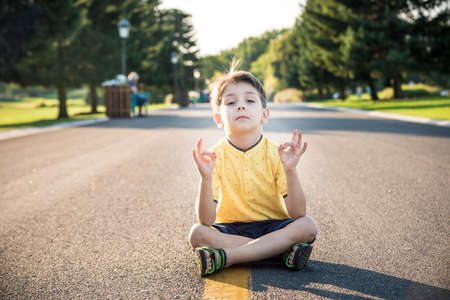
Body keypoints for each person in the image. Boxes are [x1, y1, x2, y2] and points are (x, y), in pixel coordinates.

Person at [189, 65, 318, 277]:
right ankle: (279, 252)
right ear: (218, 118)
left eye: (249, 101)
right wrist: (205, 178)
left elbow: (298, 213)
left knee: (307, 225)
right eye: (231, 102)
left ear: (264, 114)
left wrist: (291, 170)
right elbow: (206, 221)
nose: (240, 106)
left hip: (274, 226)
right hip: (230, 229)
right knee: (197, 234)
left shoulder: (277, 154)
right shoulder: (213, 157)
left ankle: (229, 257)